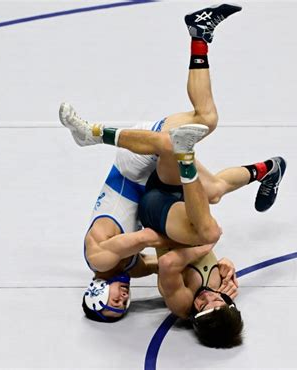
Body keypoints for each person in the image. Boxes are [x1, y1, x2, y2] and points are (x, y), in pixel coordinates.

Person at [60, 3, 249, 323]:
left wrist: (204, 240)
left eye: (113, 302)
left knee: (172, 143)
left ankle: (93, 134)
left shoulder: (100, 260)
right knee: (210, 158)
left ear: (95, 293)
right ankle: (199, 35)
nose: (123, 299)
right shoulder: (131, 268)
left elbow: (151, 240)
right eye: (123, 307)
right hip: (152, 181)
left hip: (132, 170)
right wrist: (216, 270)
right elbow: (170, 262)